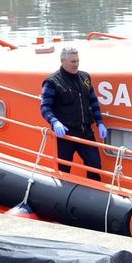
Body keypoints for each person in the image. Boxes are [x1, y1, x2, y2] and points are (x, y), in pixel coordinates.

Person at [39, 45, 107, 182]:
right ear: (63, 61)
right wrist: (54, 122)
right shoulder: (53, 82)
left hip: (86, 132)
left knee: (95, 165)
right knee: (64, 168)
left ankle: (93, 195)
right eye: (72, 62)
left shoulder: (85, 78)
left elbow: (93, 102)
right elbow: (45, 107)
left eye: (77, 61)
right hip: (66, 134)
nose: (76, 64)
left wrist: (100, 122)